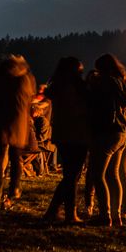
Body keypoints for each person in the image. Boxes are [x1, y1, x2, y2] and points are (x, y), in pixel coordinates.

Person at [85, 54, 126, 226]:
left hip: (107, 131)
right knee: (114, 175)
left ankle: (105, 215)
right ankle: (117, 215)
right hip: (122, 132)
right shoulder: (124, 82)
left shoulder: (106, 83)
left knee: (98, 175)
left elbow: (95, 104)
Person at [0, 54, 38, 209]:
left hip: (1, 120)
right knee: (16, 157)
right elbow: (30, 100)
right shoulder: (26, 80)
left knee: (1, 154)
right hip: (19, 122)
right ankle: (15, 187)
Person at [42, 57, 91, 224]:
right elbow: (76, 110)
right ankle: (69, 214)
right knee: (72, 176)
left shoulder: (58, 86)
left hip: (63, 134)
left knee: (70, 176)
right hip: (76, 134)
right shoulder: (72, 88)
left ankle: (53, 211)